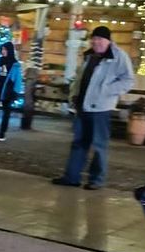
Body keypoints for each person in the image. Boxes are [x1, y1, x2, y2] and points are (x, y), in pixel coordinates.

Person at [52, 26, 135, 190]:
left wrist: (106, 91)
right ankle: (72, 177)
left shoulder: (118, 56)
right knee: (78, 143)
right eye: (94, 39)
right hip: (83, 106)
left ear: (108, 41)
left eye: (100, 39)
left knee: (99, 145)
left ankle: (97, 180)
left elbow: (128, 80)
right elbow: (80, 78)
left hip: (101, 108)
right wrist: (74, 95)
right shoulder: (89, 55)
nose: (96, 42)